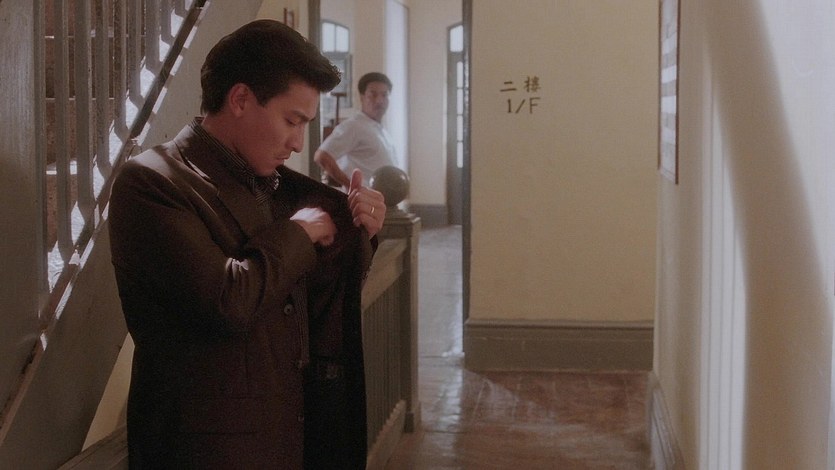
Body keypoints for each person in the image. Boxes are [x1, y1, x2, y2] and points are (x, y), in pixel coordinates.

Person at [108, 19, 386, 469]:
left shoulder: (278, 185)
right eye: (291, 121)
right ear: (239, 99)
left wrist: (360, 230)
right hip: (207, 451)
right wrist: (299, 233)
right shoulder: (153, 182)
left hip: (289, 431)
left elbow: (307, 301)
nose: (297, 143)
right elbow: (226, 300)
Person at [314, 72, 397, 188]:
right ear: (362, 97)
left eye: (384, 95)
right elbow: (322, 156)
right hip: (363, 197)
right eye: (373, 94)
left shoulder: (381, 130)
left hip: (383, 197)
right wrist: (354, 188)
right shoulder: (354, 126)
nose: (379, 100)